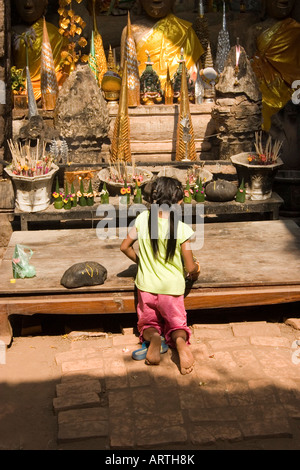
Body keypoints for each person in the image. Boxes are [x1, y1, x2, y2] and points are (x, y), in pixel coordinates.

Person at [120, 177, 200, 375]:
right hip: (171, 289)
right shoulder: (182, 230)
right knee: (176, 325)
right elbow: (189, 268)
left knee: (148, 325)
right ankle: (180, 343)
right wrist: (197, 269)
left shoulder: (142, 220)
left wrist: (142, 262)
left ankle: (154, 338)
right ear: (179, 202)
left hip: (146, 287)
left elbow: (124, 247)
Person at [120, 0, 204, 87]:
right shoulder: (131, 32)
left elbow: (196, 73)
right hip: (143, 92)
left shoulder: (185, 31)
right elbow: (125, 72)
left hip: (181, 93)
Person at [246, 0, 300, 131]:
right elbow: (247, 62)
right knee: (260, 104)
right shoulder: (255, 30)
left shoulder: (296, 30)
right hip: (264, 84)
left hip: (293, 85)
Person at [12, 0, 68, 101]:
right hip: (17, 91)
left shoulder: (55, 35)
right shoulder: (11, 35)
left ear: (46, 2)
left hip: (46, 91)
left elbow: (60, 74)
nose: (28, 4)